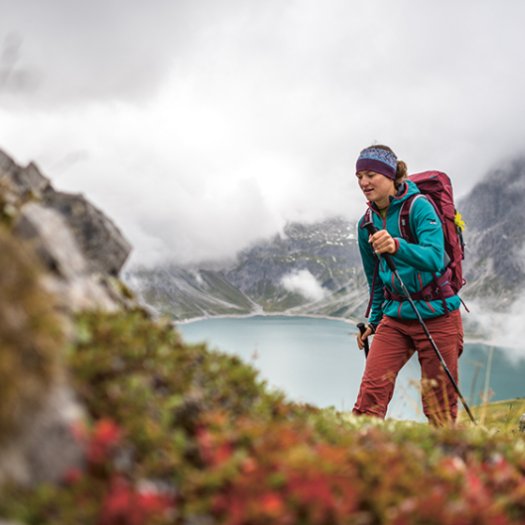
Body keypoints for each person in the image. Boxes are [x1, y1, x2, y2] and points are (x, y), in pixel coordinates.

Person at [353, 144, 463, 425]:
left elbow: (435, 257)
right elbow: (375, 279)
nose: (364, 183)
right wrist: (373, 321)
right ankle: (357, 461)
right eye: (359, 177)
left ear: (390, 175)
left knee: (439, 408)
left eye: (370, 175)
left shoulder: (419, 207)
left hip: (438, 315)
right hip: (397, 316)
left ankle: (447, 464)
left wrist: (395, 246)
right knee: (370, 397)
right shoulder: (366, 222)